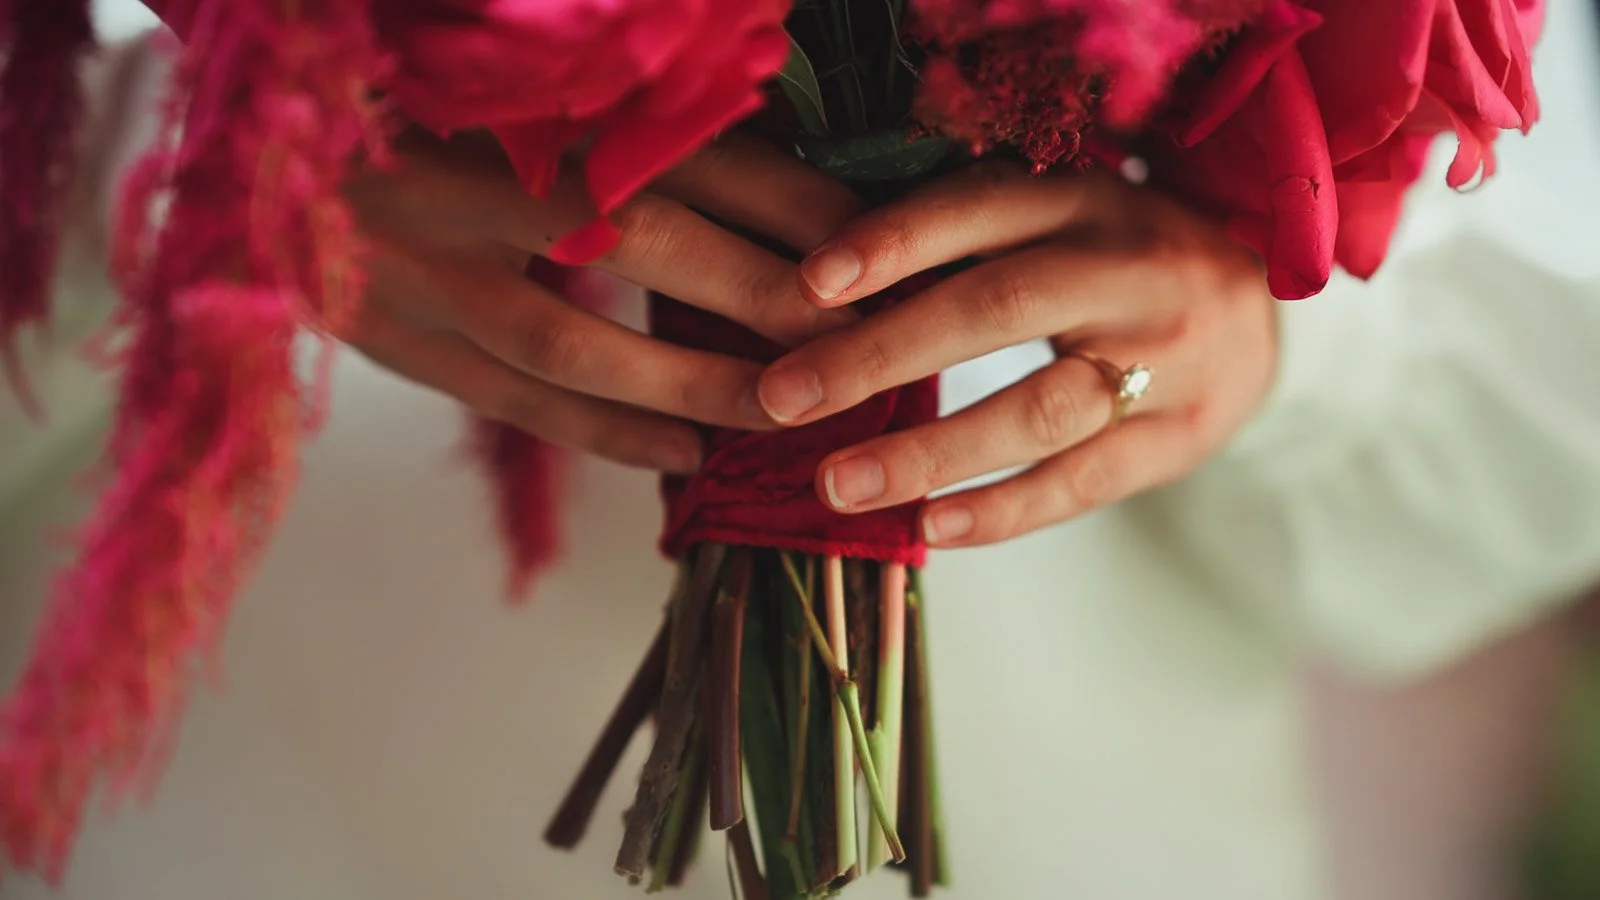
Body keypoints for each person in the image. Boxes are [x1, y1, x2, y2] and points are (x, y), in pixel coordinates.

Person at [2, 3, 1598, 900]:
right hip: (290, 787)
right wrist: (188, 165)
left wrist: (1278, 326)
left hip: (1096, 809)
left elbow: (1546, 431)